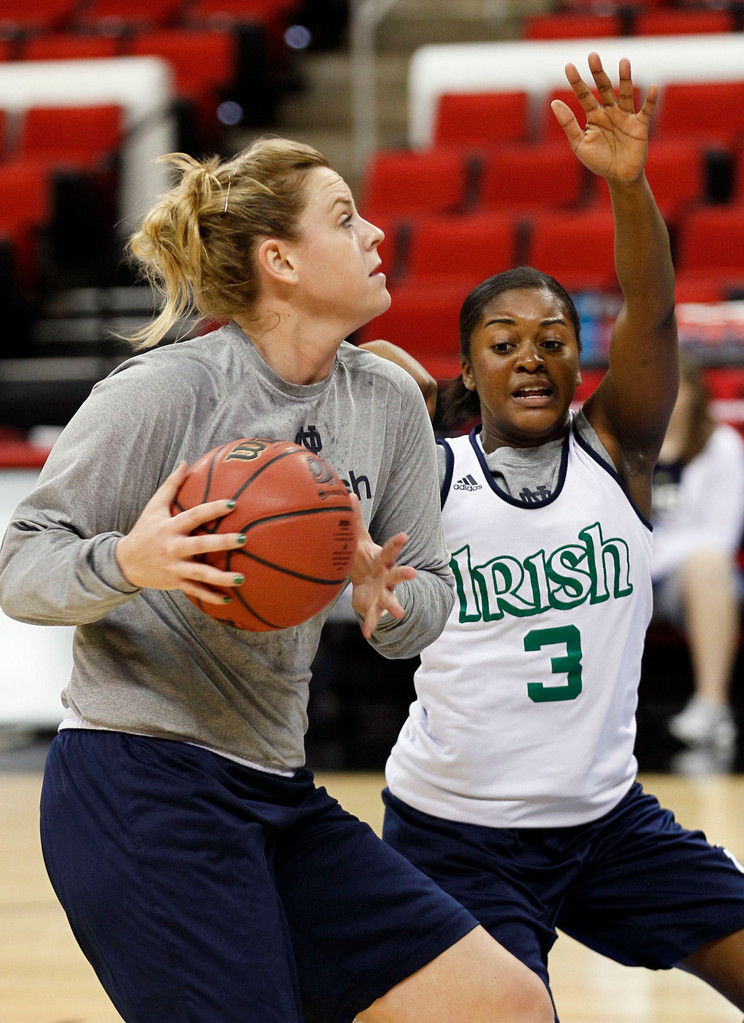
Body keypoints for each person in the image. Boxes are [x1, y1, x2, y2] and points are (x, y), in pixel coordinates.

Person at [0, 138, 552, 1023]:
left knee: (500, 1002)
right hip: (137, 779)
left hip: (275, 784)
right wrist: (126, 563)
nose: (375, 232)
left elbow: (434, 594)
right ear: (281, 259)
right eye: (344, 217)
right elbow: (20, 563)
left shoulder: (387, 402)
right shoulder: (167, 393)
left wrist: (392, 600)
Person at [381, 53, 744, 1020]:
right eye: (505, 342)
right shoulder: (430, 463)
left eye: (553, 339)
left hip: (608, 823)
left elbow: (656, 312)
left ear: (579, 358)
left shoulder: (618, 449)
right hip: (455, 833)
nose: (532, 358)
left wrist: (628, 186)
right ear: (470, 363)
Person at [651, 352, 744, 752]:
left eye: (677, 386)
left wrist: (651, 555)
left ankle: (712, 706)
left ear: (694, 394)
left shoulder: (721, 446)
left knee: (709, 565)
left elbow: (720, 537)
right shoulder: (622, 444)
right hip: (623, 573)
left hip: (684, 580)